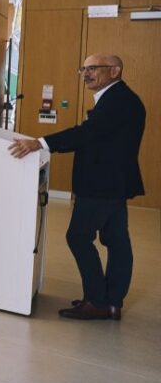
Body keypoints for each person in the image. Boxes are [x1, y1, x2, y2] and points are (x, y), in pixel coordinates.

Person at [8, 54, 146, 321]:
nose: (86, 73)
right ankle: (111, 302)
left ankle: (98, 300)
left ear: (115, 71)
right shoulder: (119, 98)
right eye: (84, 68)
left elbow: (87, 134)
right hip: (112, 183)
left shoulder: (118, 100)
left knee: (79, 237)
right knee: (117, 240)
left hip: (102, 185)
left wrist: (40, 142)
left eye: (93, 68)